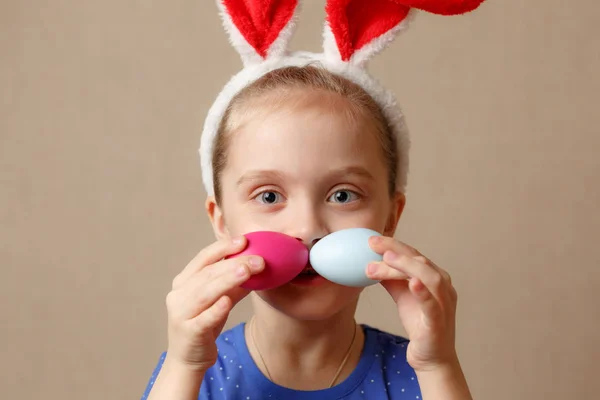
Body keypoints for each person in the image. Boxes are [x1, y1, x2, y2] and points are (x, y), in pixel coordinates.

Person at [142, 1, 485, 399]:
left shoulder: (420, 374)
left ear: (390, 217)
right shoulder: (194, 373)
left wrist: (439, 365)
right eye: (269, 195)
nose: (307, 228)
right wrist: (183, 365)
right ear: (221, 222)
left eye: (342, 195)